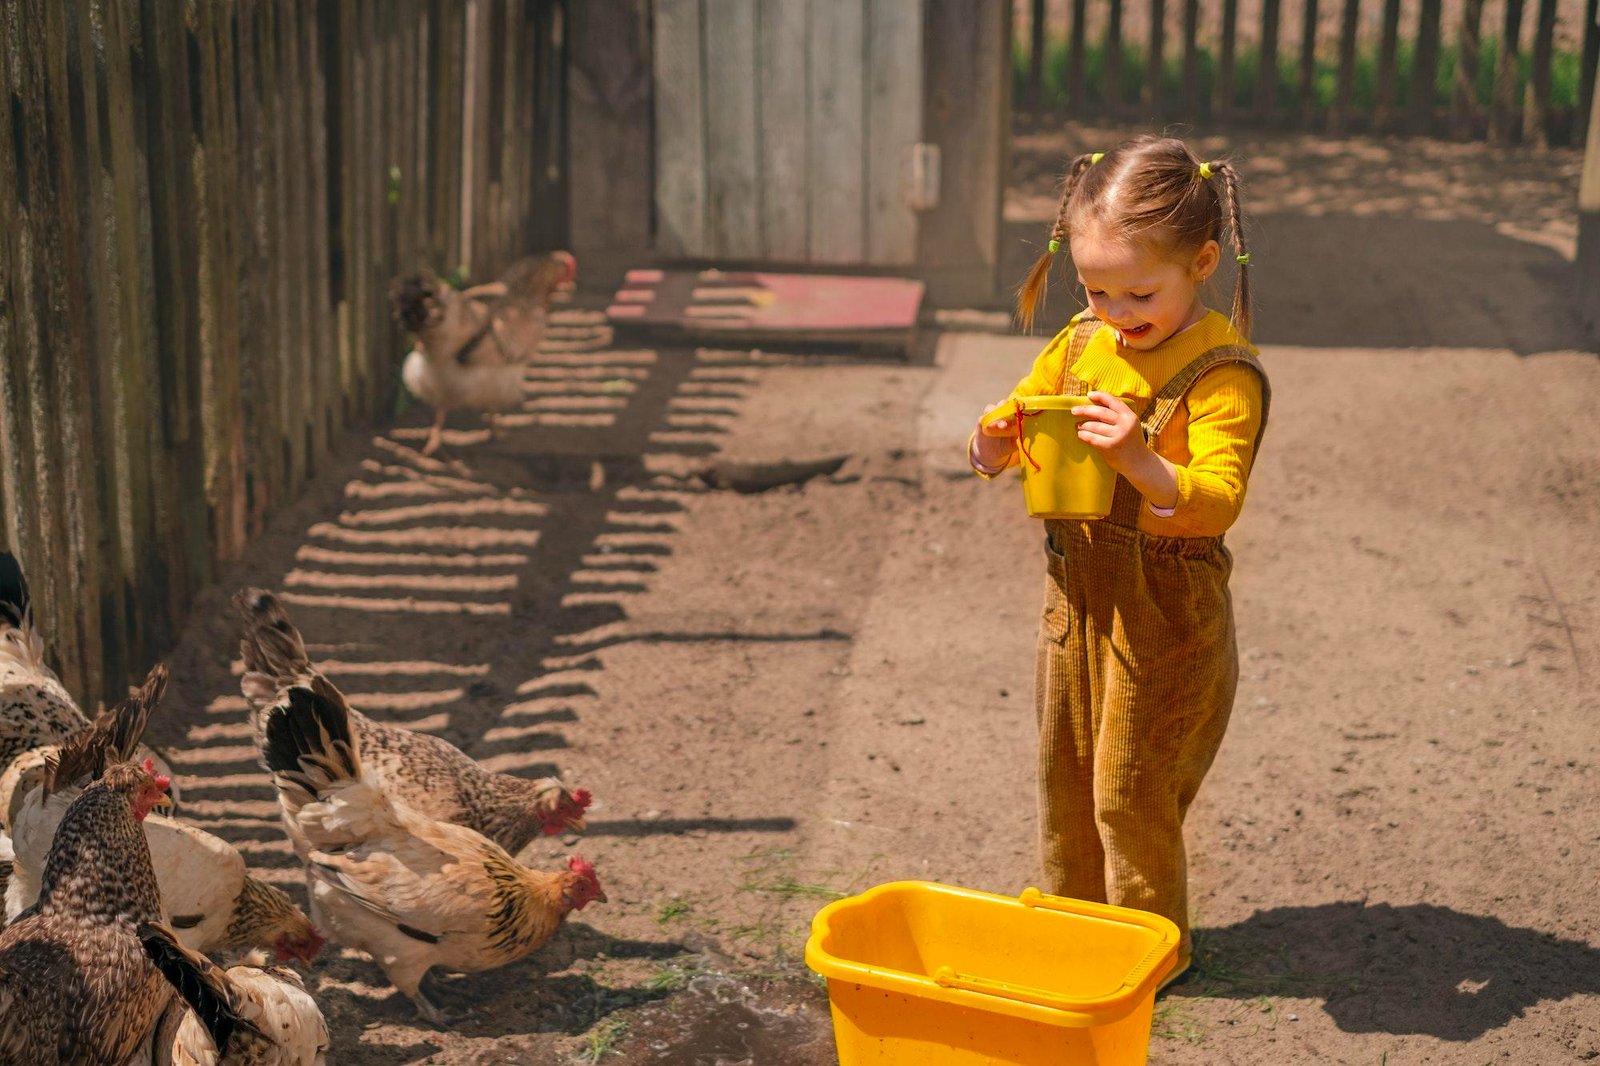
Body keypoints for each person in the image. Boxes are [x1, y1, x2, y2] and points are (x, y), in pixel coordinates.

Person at [969, 135, 1270, 991]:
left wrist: (1143, 461)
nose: (1116, 310)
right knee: (1065, 779)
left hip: (1164, 608)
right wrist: (991, 443)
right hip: (1075, 596)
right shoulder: (1080, 342)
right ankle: (1075, 927)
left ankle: (1145, 950)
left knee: (1128, 789)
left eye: (1141, 291)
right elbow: (1023, 420)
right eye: (1096, 288)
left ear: (1202, 262)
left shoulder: (1221, 370)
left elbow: (1216, 497)